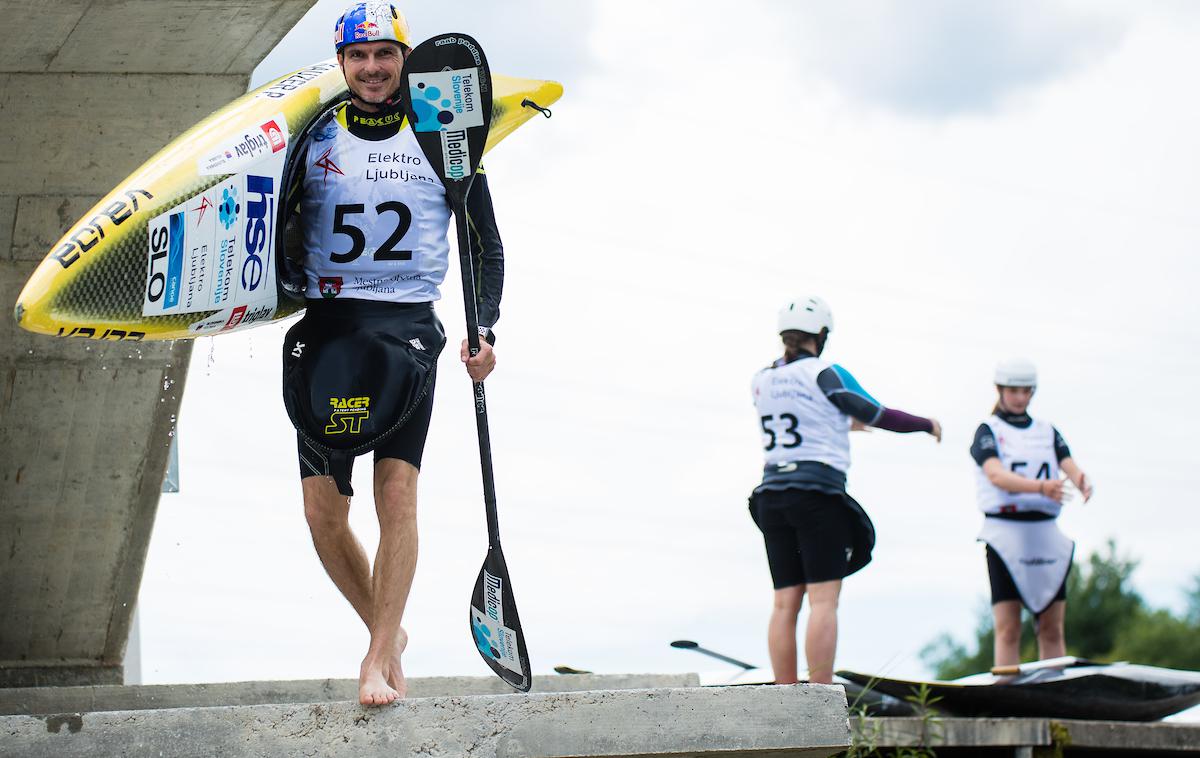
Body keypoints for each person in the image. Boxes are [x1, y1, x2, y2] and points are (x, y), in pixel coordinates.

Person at [281, 2, 504, 705]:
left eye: (385, 54)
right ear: (341, 64)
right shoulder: (310, 134)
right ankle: (389, 629)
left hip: (408, 328)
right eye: (358, 57)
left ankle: (376, 658)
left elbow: (483, 243)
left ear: (405, 58)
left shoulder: (444, 135)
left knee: (396, 490)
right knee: (322, 512)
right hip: (327, 329)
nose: (372, 68)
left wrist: (484, 329)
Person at [749, 295, 942, 685]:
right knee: (823, 599)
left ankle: (783, 691)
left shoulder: (761, 379)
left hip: (772, 494)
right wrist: (925, 424)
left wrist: (841, 426)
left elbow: (803, 418)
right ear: (821, 335)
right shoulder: (825, 372)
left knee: (785, 601)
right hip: (816, 494)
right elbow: (874, 412)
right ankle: (820, 694)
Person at [971, 358, 1093, 668]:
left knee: (1052, 626)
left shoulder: (1047, 431)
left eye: (1026, 391)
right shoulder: (988, 431)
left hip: (1045, 533)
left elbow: (1068, 462)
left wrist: (1081, 481)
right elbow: (996, 475)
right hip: (1005, 533)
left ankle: (1053, 691)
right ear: (1001, 390)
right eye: (1014, 391)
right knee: (1009, 627)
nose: (1020, 398)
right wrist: (1040, 488)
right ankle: (1007, 692)